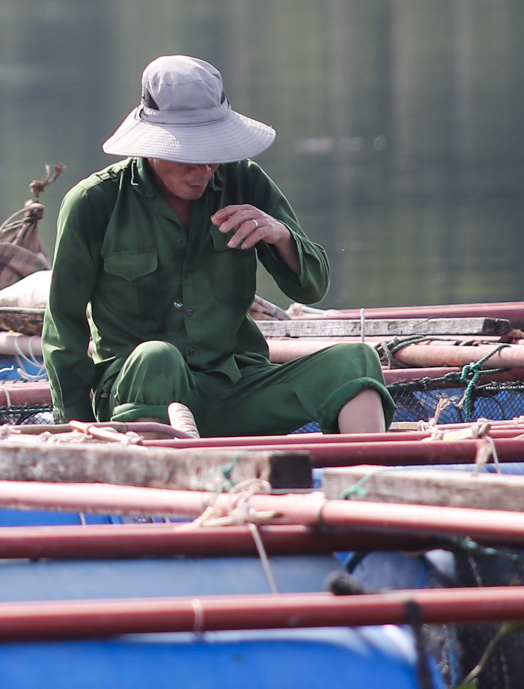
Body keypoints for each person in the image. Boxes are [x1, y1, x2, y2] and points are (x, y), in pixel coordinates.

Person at [41, 55, 391, 437]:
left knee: (356, 362)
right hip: (140, 398)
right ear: (153, 145)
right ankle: (158, 468)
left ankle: (365, 468)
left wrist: (280, 235)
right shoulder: (94, 202)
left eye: (213, 153)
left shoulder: (245, 181)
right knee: (158, 357)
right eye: (188, 155)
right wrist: (74, 427)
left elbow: (312, 287)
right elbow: (64, 328)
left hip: (235, 386)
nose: (204, 169)